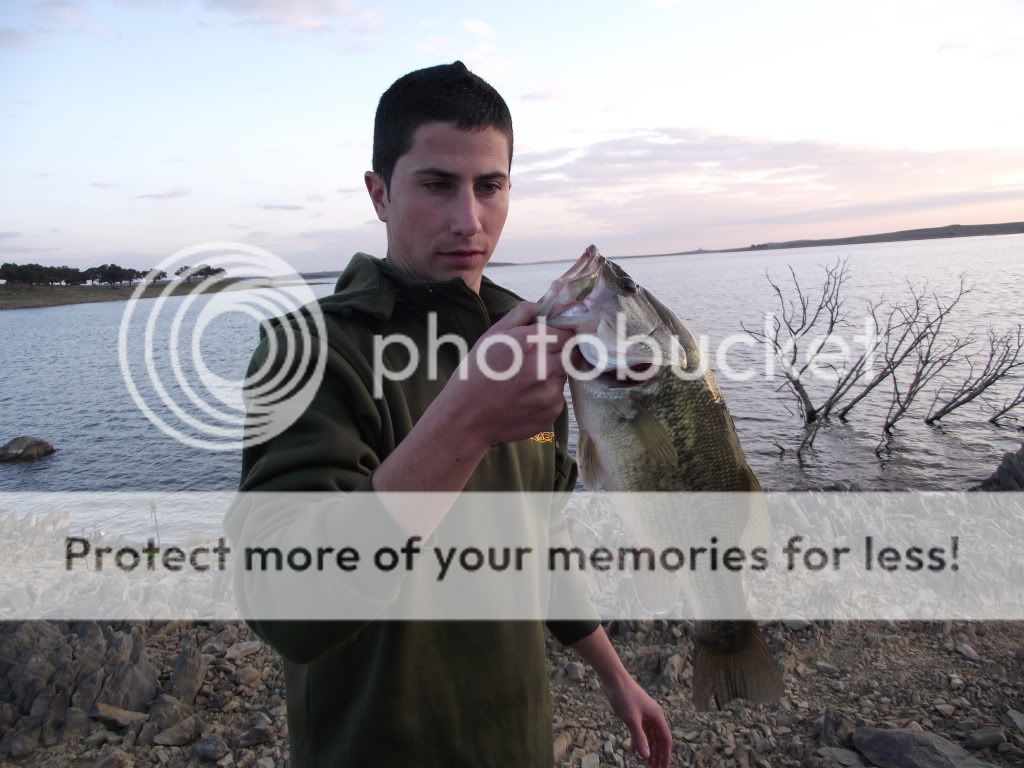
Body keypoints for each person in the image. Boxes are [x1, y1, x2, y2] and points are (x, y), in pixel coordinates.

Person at [234, 61, 672, 768]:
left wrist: (612, 673)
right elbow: (289, 606)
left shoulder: (525, 334)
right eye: (436, 185)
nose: (469, 219)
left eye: (489, 186)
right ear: (379, 193)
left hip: (517, 737)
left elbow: (540, 532)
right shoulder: (311, 350)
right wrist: (464, 423)